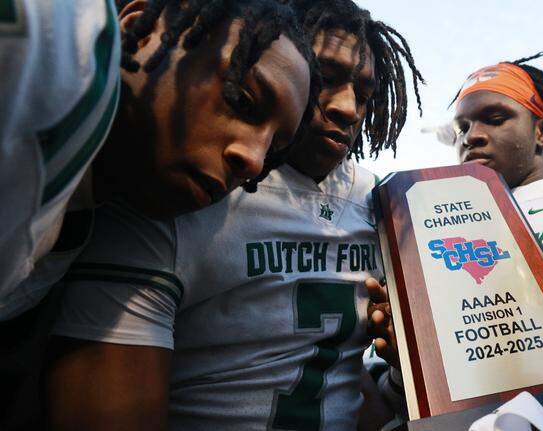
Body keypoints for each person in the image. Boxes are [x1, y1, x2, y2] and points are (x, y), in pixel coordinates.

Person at [45, 0, 424, 429]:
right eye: (326, 77)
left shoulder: (383, 205)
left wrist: (400, 375)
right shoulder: (182, 185)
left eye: (364, 93)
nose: (348, 108)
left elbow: (335, 389)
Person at [1, 0, 316, 428]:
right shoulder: (55, 41)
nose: (255, 161)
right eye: (243, 99)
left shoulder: (83, 216)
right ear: (142, 29)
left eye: (274, 150)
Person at [368, 54, 543, 388]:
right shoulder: (434, 229)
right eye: (462, 128)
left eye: (495, 118)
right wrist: (411, 361)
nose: (471, 136)